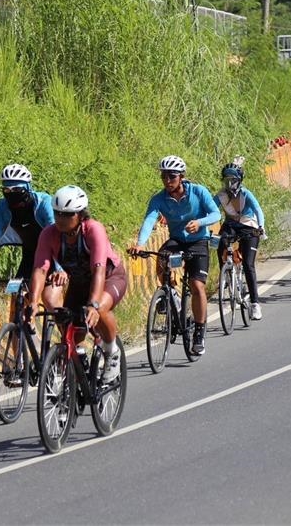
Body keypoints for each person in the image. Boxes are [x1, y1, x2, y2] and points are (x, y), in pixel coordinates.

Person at [29, 186, 126, 383]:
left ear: (80, 215)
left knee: (100, 309)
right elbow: (40, 270)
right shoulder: (49, 234)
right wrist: (32, 302)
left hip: (109, 278)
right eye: (57, 214)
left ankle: (111, 351)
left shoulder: (93, 230)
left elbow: (98, 271)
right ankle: (79, 361)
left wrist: (93, 305)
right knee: (69, 328)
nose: (60, 219)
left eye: (67, 215)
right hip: (80, 283)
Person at [128, 156, 220, 357]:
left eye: (172, 176)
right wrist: (140, 244)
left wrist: (200, 223)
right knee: (161, 255)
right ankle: (170, 293)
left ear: (181, 177)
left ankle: (199, 333)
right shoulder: (159, 198)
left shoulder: (198, 192)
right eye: (164, 176)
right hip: (177, 239)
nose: (167, 181)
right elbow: (149, 221)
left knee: (197, 286)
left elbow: (216, 214)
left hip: (198, 241)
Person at [0, 164, 64, 319]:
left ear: (27, 187)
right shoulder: (2, 206)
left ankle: (66, 341)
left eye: (16, 190)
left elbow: (58, 238)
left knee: (50, 300)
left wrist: (59, 269)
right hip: (30, 257)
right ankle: (20, 335)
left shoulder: (43, 203)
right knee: (16, 304)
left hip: (53, 256)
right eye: (6, 190)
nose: (11, 194)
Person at [213, 160, 267, 320]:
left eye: (233, 180)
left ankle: (255, 303)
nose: (230, 183)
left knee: (248, 264)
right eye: (226, 180)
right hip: (230, 226)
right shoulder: (221, 195)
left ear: (239, 180)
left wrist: (261, 226)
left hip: (249, 226)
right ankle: (226, 275)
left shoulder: (246, 194)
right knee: (220, 243)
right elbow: (211, 209)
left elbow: (258, 210)